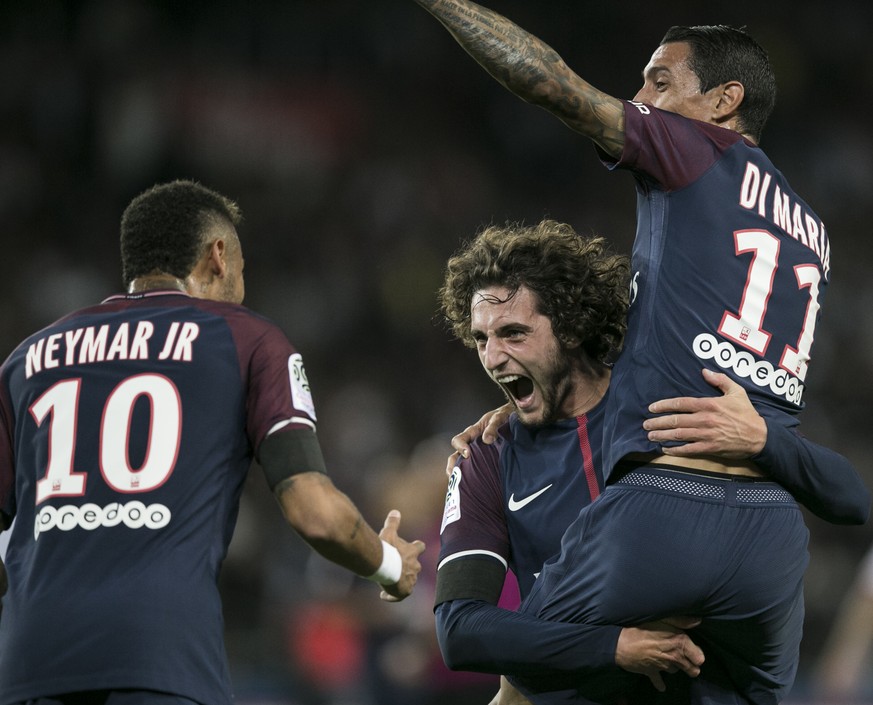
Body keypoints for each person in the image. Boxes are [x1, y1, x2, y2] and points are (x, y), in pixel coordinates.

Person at [410, 2, 870, 703]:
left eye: (659, 82)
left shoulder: (693, 153)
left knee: (523, 679)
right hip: (771, 538)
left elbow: (549, 83)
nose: (640, 101)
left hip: (665, 508)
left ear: (723, 102)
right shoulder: (811, 229)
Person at [0, 180, 426, 705]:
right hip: (160, 658)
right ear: (218, 257)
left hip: (26, 665)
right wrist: (388, 564)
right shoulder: (246, 339)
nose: (242, 289)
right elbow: (315, 512)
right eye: (243, 271)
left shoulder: (27, 359)